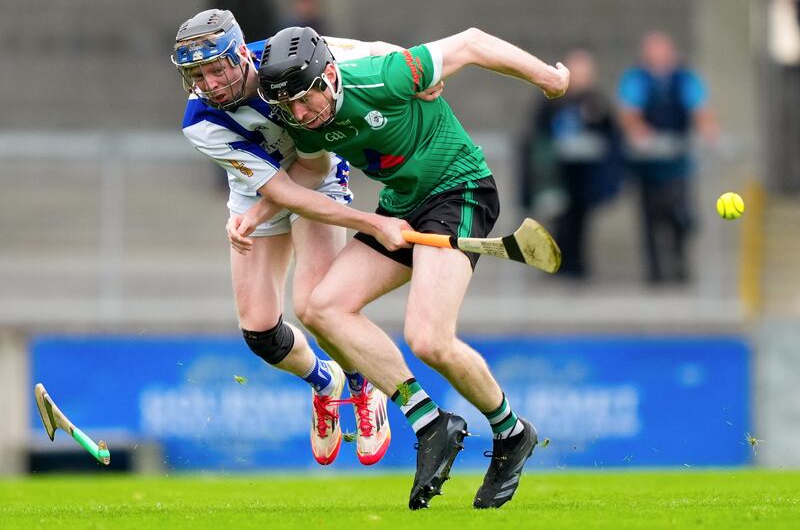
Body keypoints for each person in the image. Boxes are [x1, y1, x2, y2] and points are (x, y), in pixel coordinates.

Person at [230, 26, 568, 509]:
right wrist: (257, 212)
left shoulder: (382, 76)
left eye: (306, 100)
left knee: (429, 339)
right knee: (323, 308)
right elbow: (310, 169)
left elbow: (471, 43)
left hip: (459, 190)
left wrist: (548, 79)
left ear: (329, 76)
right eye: (290, 106)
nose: (301, 114)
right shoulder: (298, 117)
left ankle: (511, 433)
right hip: (401, 207)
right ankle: (430, 422)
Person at [171, 9, 442, 467]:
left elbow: (370, 52)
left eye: (216, 69)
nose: (209, 84)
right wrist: (370, 223)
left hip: (319, 178)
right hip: (261, 190)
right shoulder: (200, 121)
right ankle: (325, 382)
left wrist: (419, 72)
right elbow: (280, 190)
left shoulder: (287, 55)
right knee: (260, 333)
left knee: (320, 308)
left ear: (240, 55)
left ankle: (363, 385)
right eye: (198, 75)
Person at [618, 31, 717, 284]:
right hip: (647, 168)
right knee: (649, 221)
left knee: (681, 217)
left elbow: (700, 109)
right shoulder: (637, 78)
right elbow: (629, 113)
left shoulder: (684, 78)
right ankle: (655, 275)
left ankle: (680, 266)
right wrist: (639, 132)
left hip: (678, 166)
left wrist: (707, 129)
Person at [518, 49, 623, 278]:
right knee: (559, 219)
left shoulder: (596, 101)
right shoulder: (551, 99)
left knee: (580, 221)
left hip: (585, 174)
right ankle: (558, 265)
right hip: (557, 174)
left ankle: (577, 267)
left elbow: (610, 133)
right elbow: (537, 133)